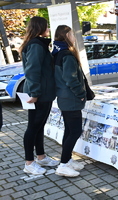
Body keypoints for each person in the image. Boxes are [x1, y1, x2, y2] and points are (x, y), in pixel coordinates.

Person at [20, 16, 59, 175]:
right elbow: (32, 70)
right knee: (33, 127)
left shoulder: (37, 44)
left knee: (39, 126)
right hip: (39, 94)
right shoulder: (36, 45)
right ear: (40, 28)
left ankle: (41, 157)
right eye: (46, 26)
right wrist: (35, 93)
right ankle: (29, 162)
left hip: (43, 93)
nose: (48, 29)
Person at [52, 25, 86, 177]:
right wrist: (81, 94)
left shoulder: (58, 53)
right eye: (72, 34)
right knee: (75, 131)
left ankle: (67, 160)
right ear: (66, 35)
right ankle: (63, 164)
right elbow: (70, 78)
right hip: (71, 99)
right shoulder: (67, 55)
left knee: (69, 130)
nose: (74, 36)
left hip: (64, 98)